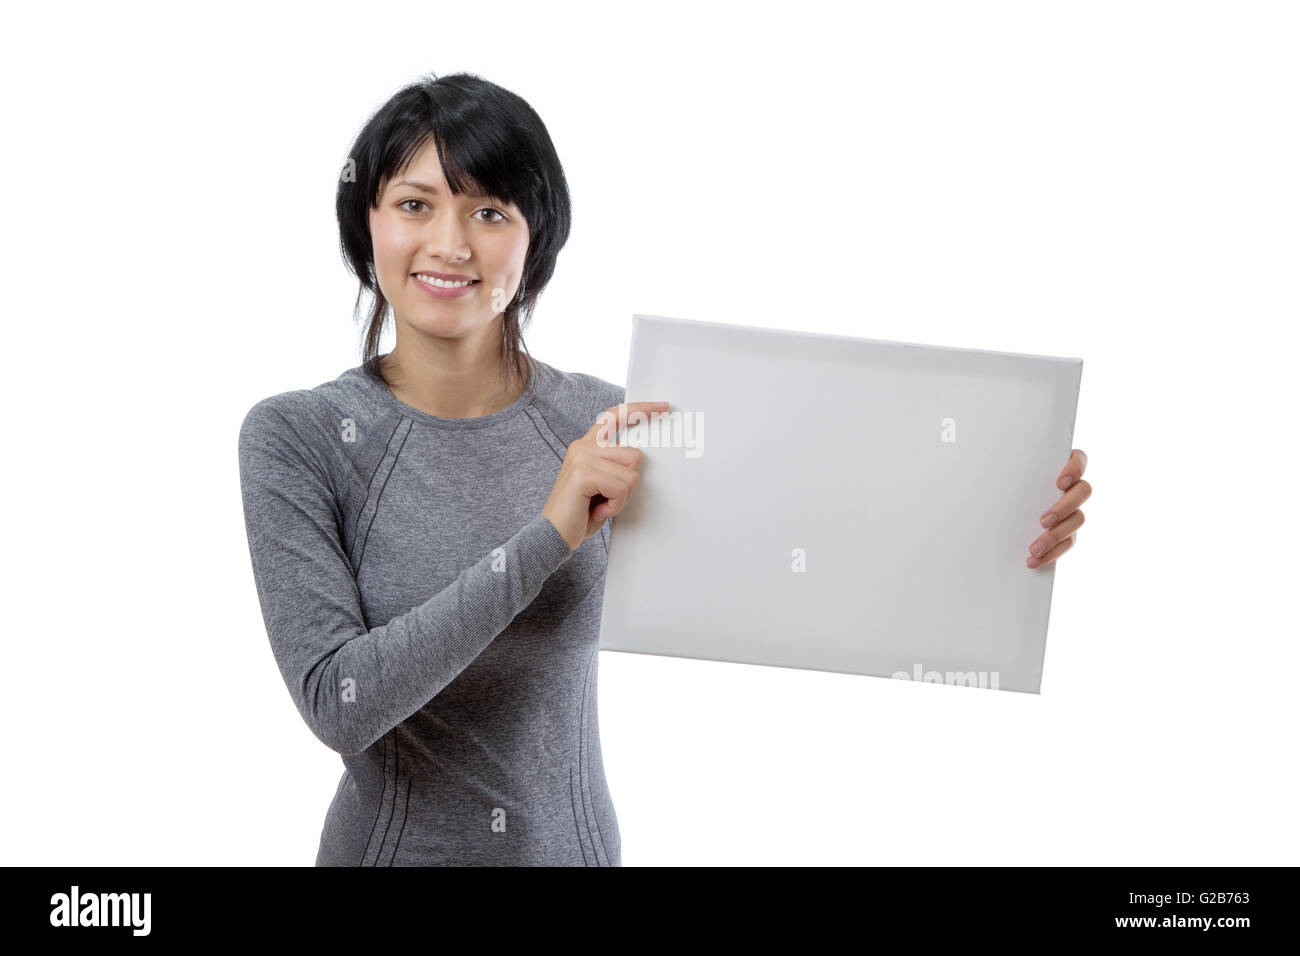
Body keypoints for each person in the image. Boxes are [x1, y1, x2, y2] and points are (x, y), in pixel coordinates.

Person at [238, 72, 666, 865]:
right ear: (364, 222)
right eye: (414, 204)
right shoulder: (299, 437)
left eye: (489, 212)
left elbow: (775, 569)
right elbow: (339, 701)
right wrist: (549, 535)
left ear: (536, 237)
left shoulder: (607, 426)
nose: (450, 244)